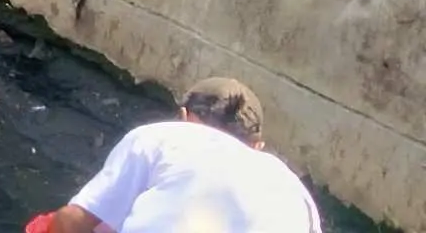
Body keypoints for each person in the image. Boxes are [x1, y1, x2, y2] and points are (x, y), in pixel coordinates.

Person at [26, 78, 323, 233]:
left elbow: (72, 221)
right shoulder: (295, 193)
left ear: (183, 117)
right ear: (257, 146)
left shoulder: (161, 138)